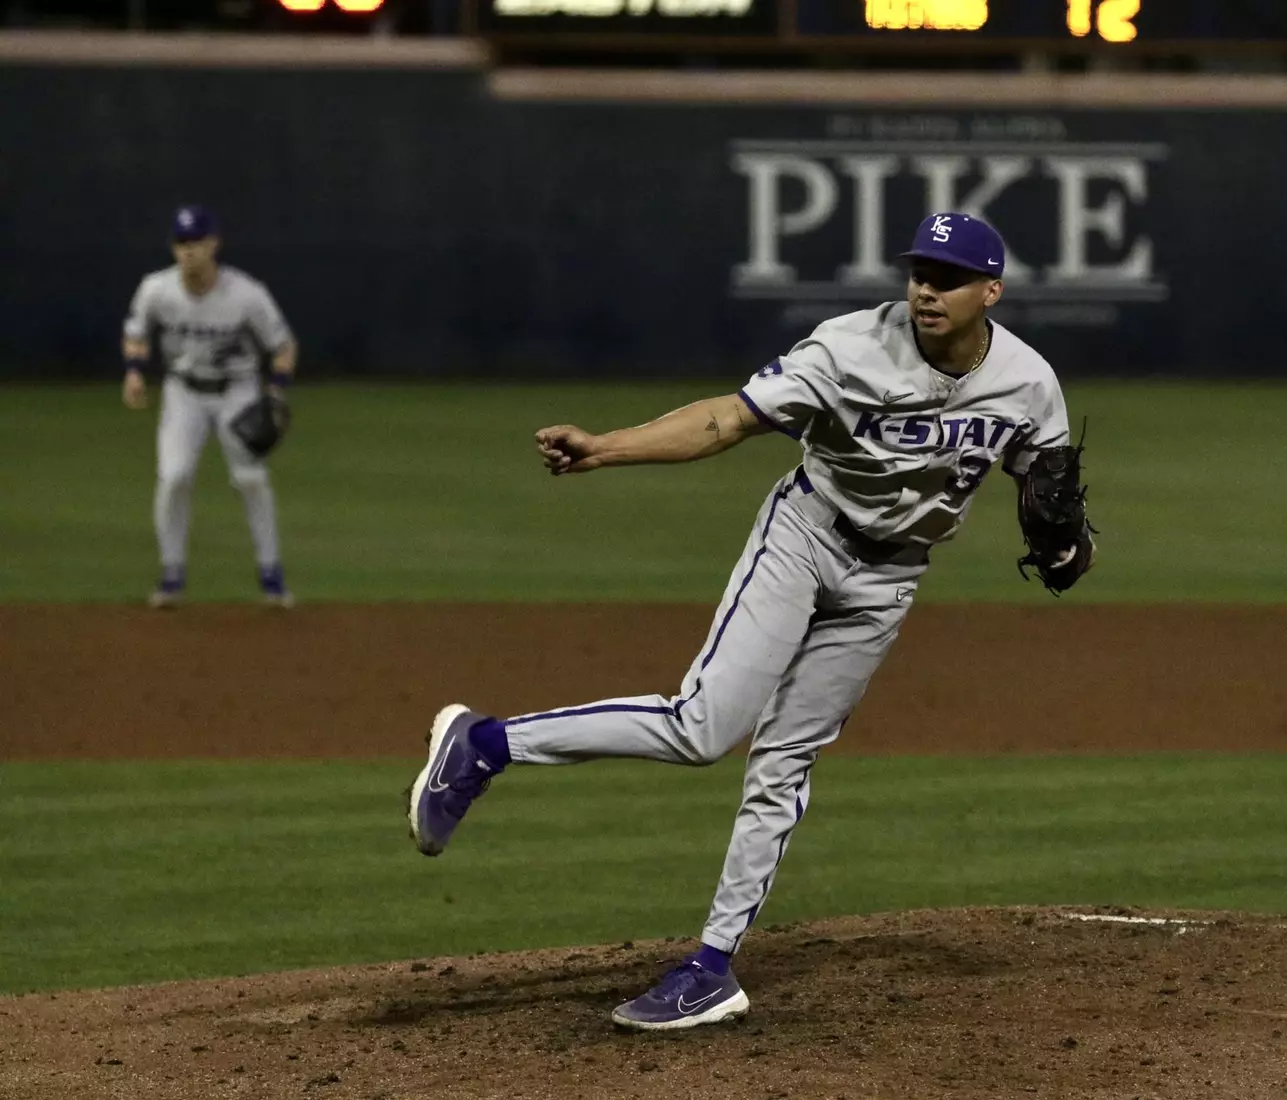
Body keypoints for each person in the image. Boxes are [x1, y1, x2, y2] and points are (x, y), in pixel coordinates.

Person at [407, 212, 1093, 1031]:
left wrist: (1059, 537)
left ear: (992, 291)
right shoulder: (846, 348)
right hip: (805, 538)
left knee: (786, 761)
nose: (925, 289)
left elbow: (1042, 471)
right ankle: (485, 745)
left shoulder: (1029, 380)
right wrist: (608, 448)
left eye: (946, 278)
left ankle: (711, 966)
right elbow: (727, 419)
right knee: (704, 727)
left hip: (893, 578)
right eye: (918, 271)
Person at [122, 205, 298, 608]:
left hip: (238, 392)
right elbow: (135, 334)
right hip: (184, 393)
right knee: (174, 477)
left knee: (251, 480)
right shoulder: (155, 289)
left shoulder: (246, 294)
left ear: (214, 244)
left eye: (196, 243)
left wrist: (276, 392)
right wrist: (134, 371)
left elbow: (283, 346)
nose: (188, 252)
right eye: (181, 243)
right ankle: (171, 575)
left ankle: (272, 576)